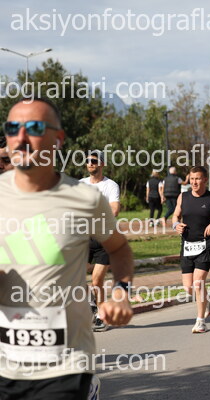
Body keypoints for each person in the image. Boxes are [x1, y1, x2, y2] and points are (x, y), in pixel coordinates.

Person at [0, 97, 133, 399]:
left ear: (57, 139)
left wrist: (121, 291)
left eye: (34, 128)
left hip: (65, 361)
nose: (21, 137)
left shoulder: (84, 198)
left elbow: (120, 248)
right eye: (13, 128)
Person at [172, 165, 210, 333]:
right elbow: (175, 215)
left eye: (197, 179)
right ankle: (207, 299)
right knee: (189, 288)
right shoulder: (183, 197)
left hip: (205, 246)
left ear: (205, 179)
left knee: (198, 283)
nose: (194, 182)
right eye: (192, 179)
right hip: (187, 246)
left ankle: (200, 321)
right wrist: (176, 224)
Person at [80, 150, 121, 332]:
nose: (90, 163)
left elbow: (114, 209)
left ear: (102, 164)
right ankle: (92, 303)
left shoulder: (110, 186)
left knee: (97, 280)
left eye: (94, 160)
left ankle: (101, 316)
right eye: (88, 160)